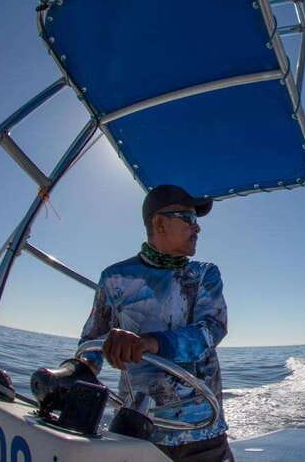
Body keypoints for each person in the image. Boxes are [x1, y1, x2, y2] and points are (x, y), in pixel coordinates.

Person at [78, 184, 233, 462]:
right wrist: (79, 369)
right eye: (189, 218)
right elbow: (91, 343)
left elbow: (212, 328)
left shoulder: (204, 274)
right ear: (159, 223)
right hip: (136, 432)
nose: (197, 228)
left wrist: (150, 343)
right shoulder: (114, 278)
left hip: (203, 434)